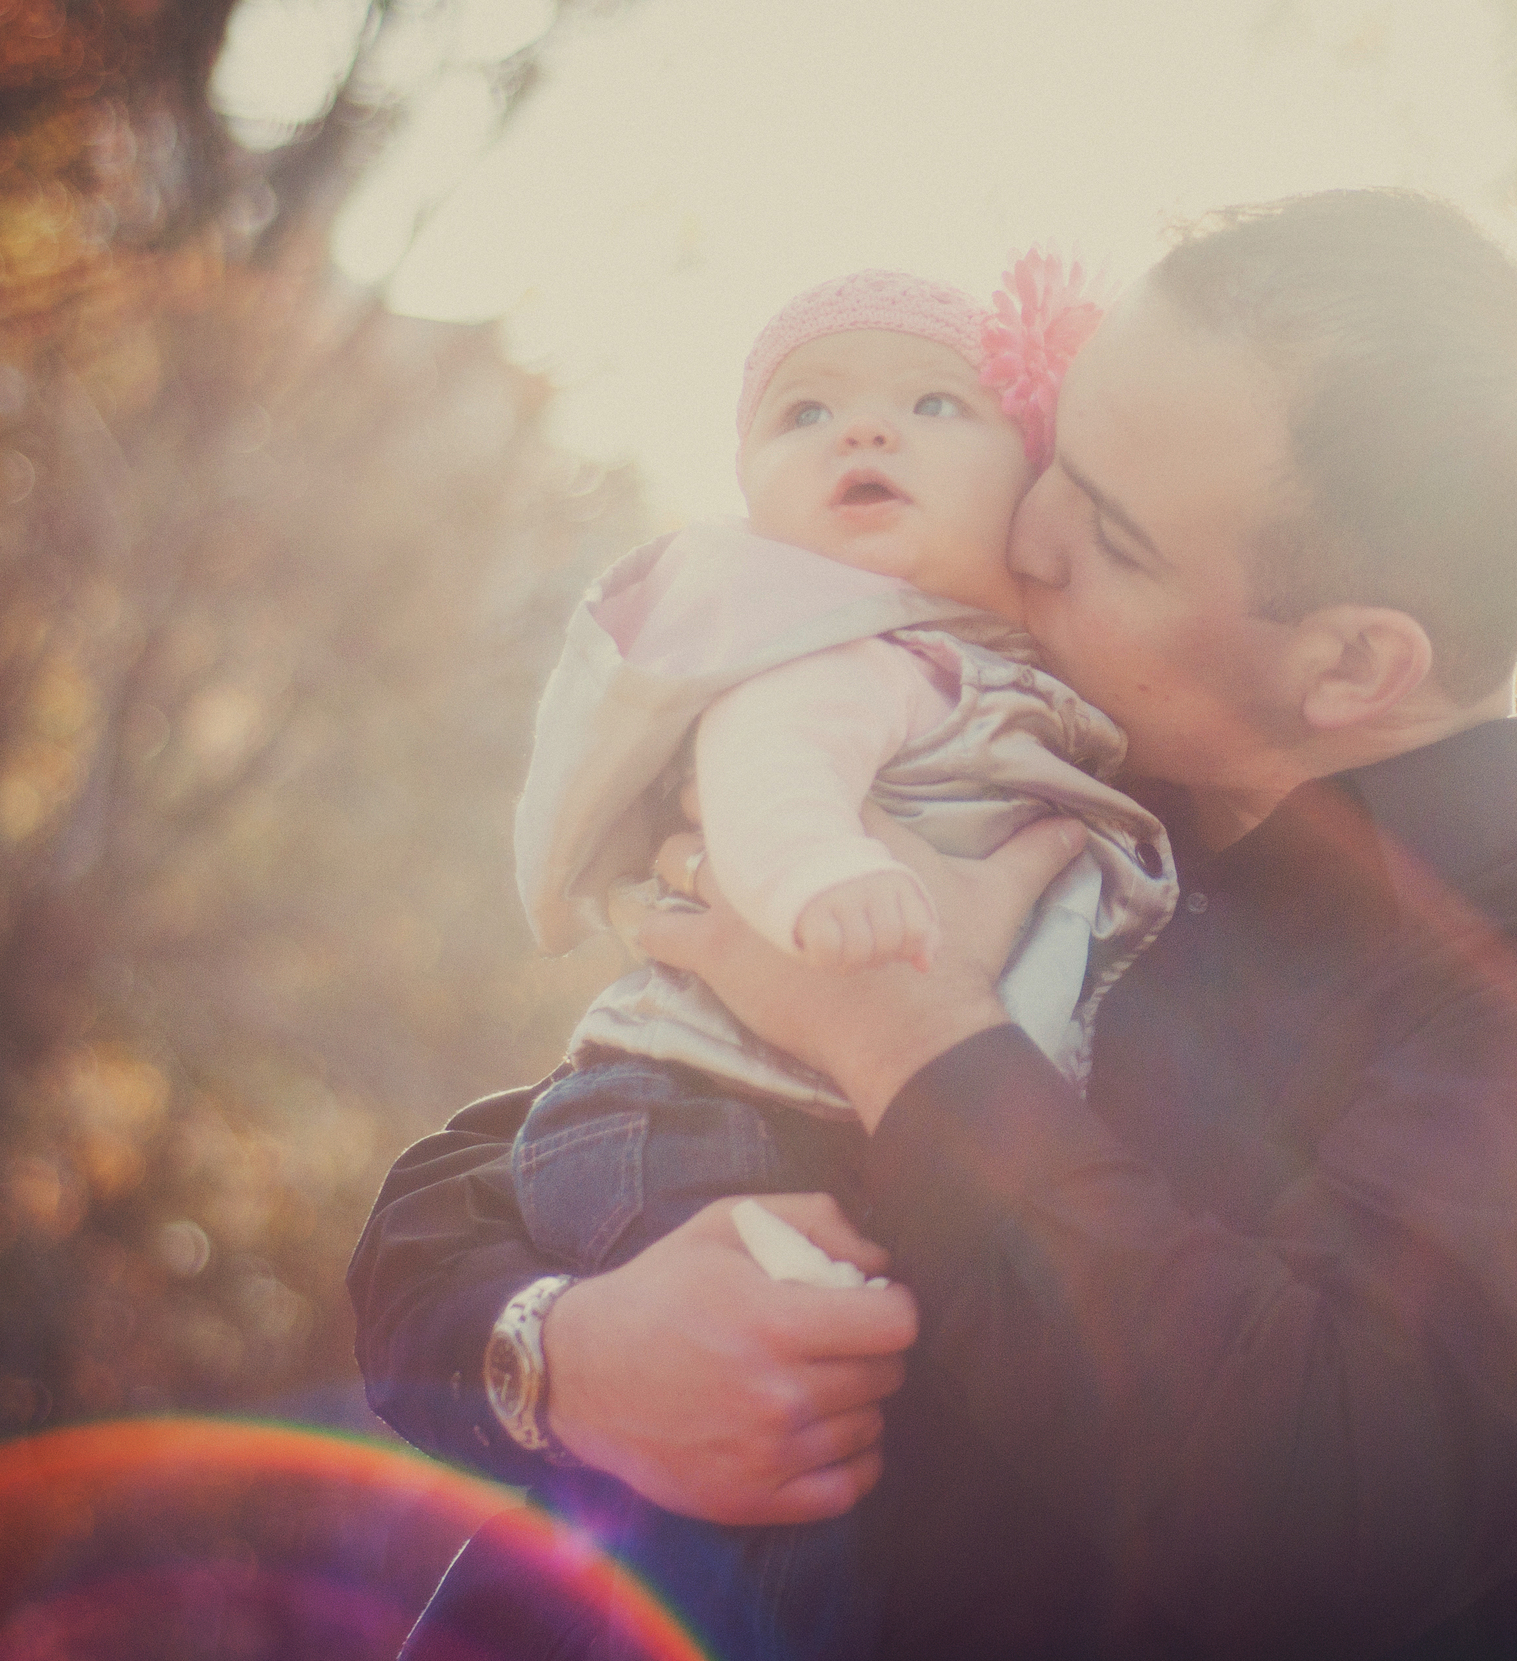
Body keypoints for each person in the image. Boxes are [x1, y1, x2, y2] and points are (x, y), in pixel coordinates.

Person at [352, 188, 1517, 1661]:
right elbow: (472, 1190)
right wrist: (559, 1354)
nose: (1024, 525)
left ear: (1355, 663)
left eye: (1111, 531)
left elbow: (1318, 1513)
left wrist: (910, 1036)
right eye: (1051, 442)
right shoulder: (1034, 795)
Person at [483, 264, 1174, 1660]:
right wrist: (824, 883)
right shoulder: (849, 651)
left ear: (1036, 488)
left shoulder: (1004, 671)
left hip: (739, 1118)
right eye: (807, 414)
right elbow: (770, 772)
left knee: (709, 1492)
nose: (863, 436)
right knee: (779, 1490)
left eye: (933, 404)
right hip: (703, 1119)